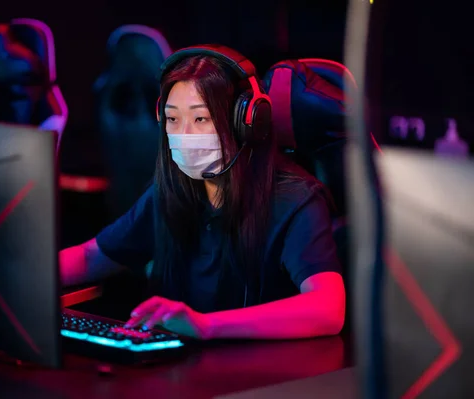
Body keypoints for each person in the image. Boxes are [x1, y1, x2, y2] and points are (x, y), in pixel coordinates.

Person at [60, 45, 345, 341]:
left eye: (200, 119)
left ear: (244, 122)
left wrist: (204, 325)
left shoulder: (297, 201)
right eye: (173, 119)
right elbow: (92, 257)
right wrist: (20, 276)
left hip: (260, 378)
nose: (183, 135)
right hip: (174, 371)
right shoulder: (173, 189)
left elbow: (328, 309)